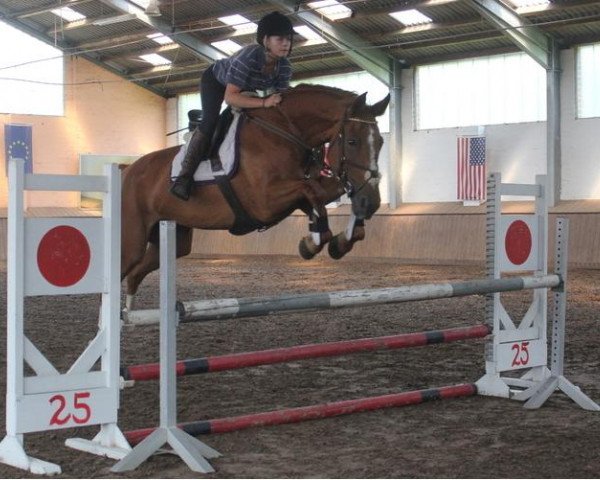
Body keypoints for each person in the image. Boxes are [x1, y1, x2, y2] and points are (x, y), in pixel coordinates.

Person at [170, 11, 294, 201]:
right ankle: (184, 177)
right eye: (280, 39)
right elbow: (230, 97)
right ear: (266, 40)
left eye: (288, 39)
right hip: (216, 82)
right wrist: (263, 102)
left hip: (245, 88)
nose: (286, 43)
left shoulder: (284, 66)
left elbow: (279, 99)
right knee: (211, 121)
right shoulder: (249, 57)